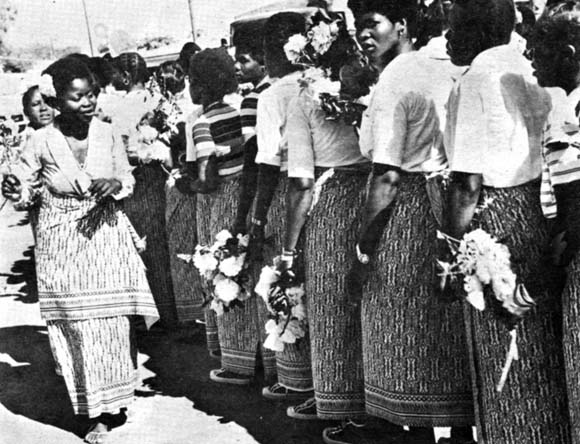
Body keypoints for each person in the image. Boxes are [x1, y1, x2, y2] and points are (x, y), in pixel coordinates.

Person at [1, 56, 158, 444]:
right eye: (75, 98)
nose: (86, 103)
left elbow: (127, 180)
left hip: (104, 233)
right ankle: (95, 412)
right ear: (56, 103)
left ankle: (118, 399)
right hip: (61, 238)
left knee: (111, 321)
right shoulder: (38, 140)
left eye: (90, 95)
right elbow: (21, 186)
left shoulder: (106, 133)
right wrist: (14, 188)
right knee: (78, 325)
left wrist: (113, 183)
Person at [344, 2, 475, 444]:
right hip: (459, 206)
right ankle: (457, 431)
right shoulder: (452, 64)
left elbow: (387, 174)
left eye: (372, 23)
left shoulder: (399, 77)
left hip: (412, 210)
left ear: (401, 25)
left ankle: (409, 427)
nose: (363, 33)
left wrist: (363, 248)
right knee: (451, 328)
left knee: (403, 326)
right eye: (358, 25)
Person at [443, 0, 571, 442]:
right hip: (537, 211)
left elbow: (467, 184)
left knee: (503, 346)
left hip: (494, 219)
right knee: (538, 351)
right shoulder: (525, 66)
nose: (447, 38)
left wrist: (445, 256)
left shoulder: (476, 79)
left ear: (476, 31)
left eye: (455, 28)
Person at [248, 12, 315, 405]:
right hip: (325, 191)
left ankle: (298, 380)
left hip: (289, 194)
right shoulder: (320, 84)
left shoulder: (273, 96)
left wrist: (258, 218)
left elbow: (268, 163)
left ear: (271, 53)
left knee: (287, 290)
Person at [529, 2, 580, 443]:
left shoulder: (569, 118)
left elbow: (573, 209)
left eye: (537, 53)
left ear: (567, 53)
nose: (529, 61)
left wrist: (543, 274)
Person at [184, 48, 251, 373]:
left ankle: (236, 363)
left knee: (225, 273)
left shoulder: (201, 123)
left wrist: (187, 185)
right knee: (247, 270)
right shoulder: (238, 113)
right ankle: (262, 357)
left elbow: (207, 179)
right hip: (246, 194)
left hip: (223, 199)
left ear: (198, 87)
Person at [111, 52, 177, 327]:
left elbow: (124, 151)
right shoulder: (156, 99)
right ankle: (170, 309)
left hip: (138, 181)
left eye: (115, 73)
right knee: (161, 242)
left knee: (144, 245)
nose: (112, 78)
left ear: (126, 77)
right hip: (159, 177)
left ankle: (156, 314)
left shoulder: (123, 107)